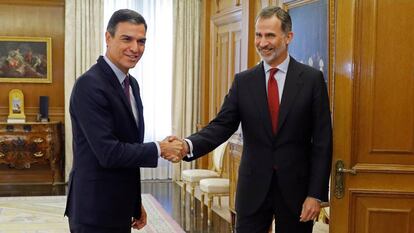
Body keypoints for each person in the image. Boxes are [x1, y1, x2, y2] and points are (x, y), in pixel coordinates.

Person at [169, 6, 332, 233]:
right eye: (258, 35)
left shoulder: (312, 79)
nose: (262, 43)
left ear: (288, 37)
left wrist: (316, 194)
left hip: (297, 191)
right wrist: (188, 145)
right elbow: (221, 126)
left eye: (270, 35)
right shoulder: (244, 82)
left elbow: (323, 141)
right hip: (252, 189)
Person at [64, 9, 183, 233]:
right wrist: (159, 148)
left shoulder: (132, 84)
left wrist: (134, 203)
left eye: (141, 41)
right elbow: (109, 153)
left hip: (119, 206)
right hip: (94, 210)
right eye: (127, 39)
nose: (135, 48)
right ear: (108, 38)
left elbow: (129, 148)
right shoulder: (89, 86)